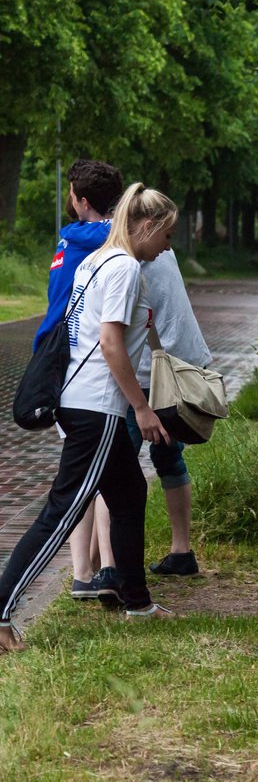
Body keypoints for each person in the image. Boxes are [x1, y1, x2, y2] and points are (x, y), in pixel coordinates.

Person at [1, 182, 178, 653]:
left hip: (82, 401)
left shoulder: (97, 259)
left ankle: (138, 603)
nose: (168, 246)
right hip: (97, 408)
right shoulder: (122, 268)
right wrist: (140, 408)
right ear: (146, 226)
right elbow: (110, 343)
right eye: (166, 235)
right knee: (61, 512)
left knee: (129, 493)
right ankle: (0, 610)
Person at [35, 159, 124, 604]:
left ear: (82, 201)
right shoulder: (112, 240)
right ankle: (103, 568)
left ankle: (86, 571)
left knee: (89, 470)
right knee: (97, 472)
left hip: (60, 361)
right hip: (92, 370)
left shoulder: (69, 241)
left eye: (71, 193)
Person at [131, 248, 212, 576]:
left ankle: (109, 564)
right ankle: (181, 552)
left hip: (152, 372)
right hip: (180, 363)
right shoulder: (165, 252)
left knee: (116, 463)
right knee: (168, 455)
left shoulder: (130, 255)